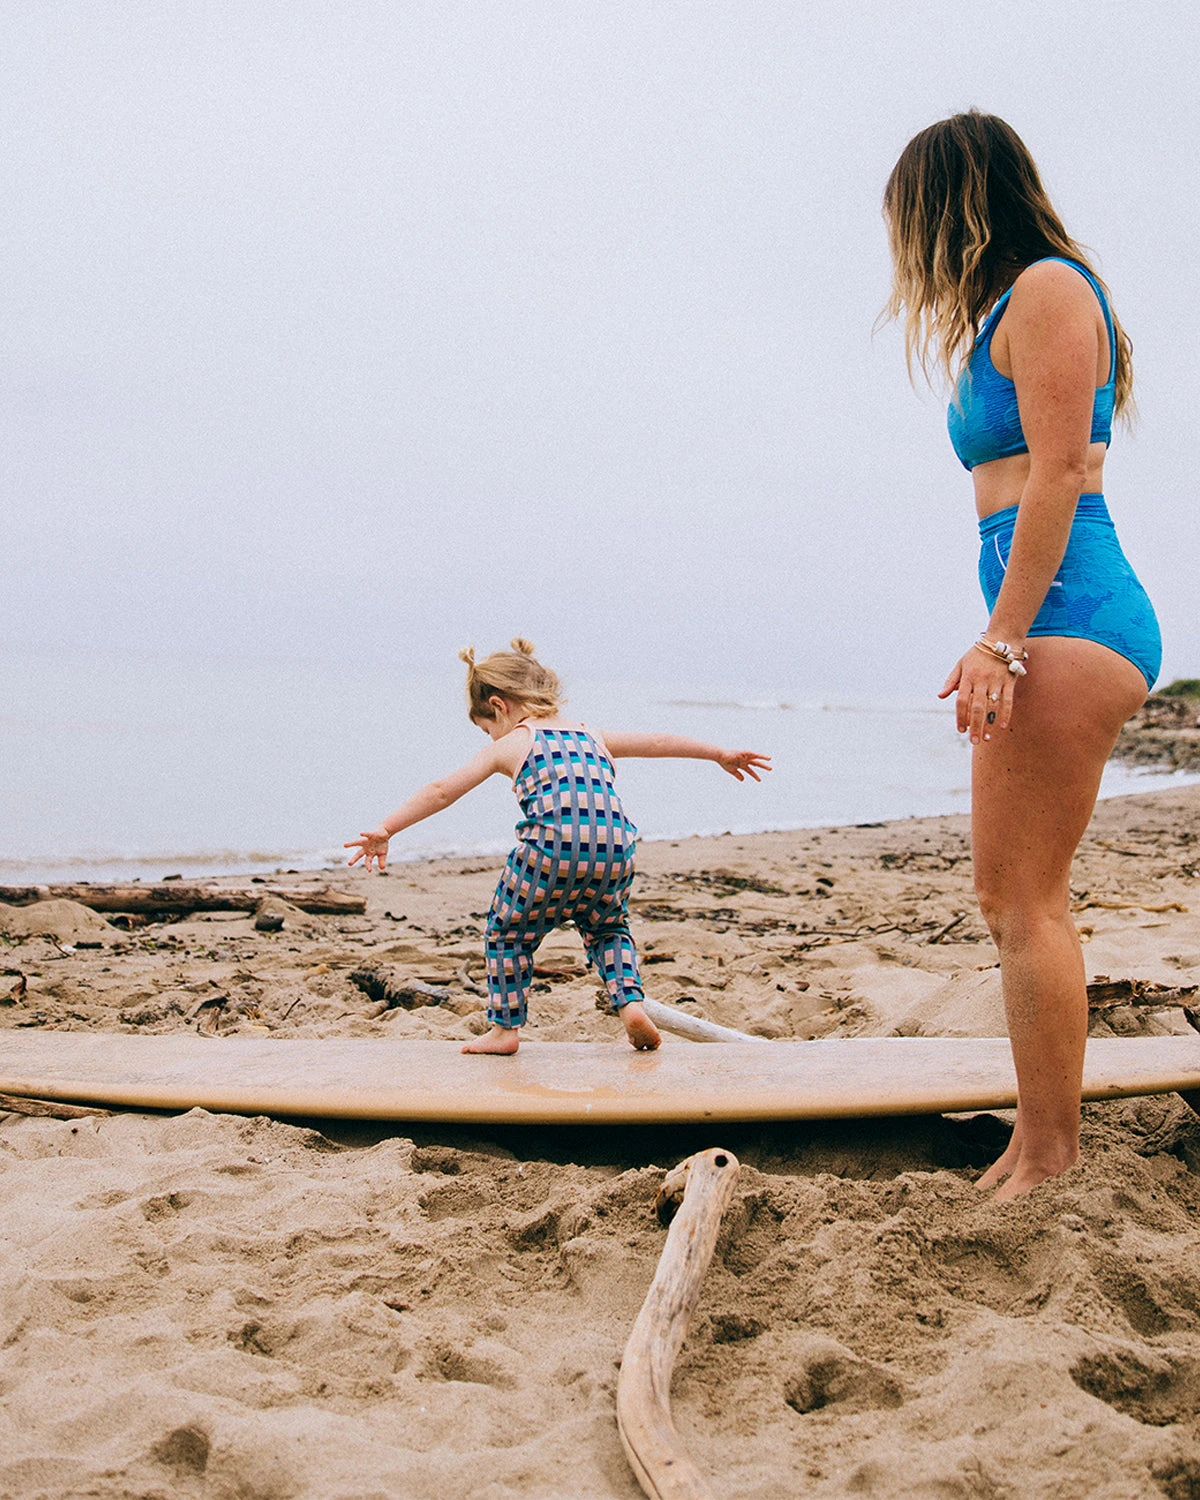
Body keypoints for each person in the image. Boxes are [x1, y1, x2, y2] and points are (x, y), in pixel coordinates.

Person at [883, 111, 1161, 1200]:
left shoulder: (1049, 287)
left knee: (1023, 900)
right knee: (1015, 898)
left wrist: (1001, 639)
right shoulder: (1012, 308)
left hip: (1073, 618)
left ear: (950, 205)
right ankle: (1036, 1142)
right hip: (1057, 617)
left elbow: (1059, 472)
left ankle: (1048, 1154)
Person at [346, 639, 771, 1055]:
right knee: (608, 929)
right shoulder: (592, 735)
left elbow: (442, 791)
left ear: (498, 706)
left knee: (508, 933)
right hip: (615, 848)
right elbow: (659, 742)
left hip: (551, 849)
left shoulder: (512, 743)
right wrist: (718, 753)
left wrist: (386, 829)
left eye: (486, 729)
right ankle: (631, 1005)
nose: (490, 737)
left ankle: (504, 1029)